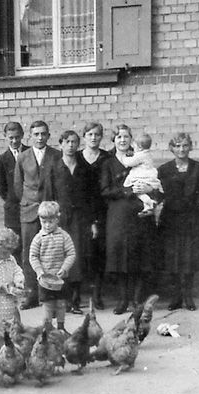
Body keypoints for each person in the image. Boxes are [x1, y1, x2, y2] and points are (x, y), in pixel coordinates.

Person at [157, 132, 199, 311]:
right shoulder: (163, 170)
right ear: (171, 148)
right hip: (170, 218)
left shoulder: (198, 168)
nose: (181, 149)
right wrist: (152, 200)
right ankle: (176, 296)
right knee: (172, 257)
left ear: (190, 147)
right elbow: (155, 190)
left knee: (189, 257)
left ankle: (188, 296)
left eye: (185, 145)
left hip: (191, 218)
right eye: (178, 146)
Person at [100, 124, 160, 315]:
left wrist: (149, 190)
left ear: (131, 140)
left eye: (126, 137)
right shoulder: (107, 163)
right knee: (119, 257)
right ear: (114, 140)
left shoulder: (142, 158)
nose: (122, 140)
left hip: (140, 215)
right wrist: (127, 190)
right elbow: (105, 190)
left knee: (139, 257)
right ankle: (123, 299)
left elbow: (155, 184)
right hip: (118, 215)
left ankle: (137, 299)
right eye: (119, 137)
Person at [13, 120, 61, 309]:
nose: (40, 137)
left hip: (50, 211)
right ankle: (31, 295)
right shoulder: (23, 157)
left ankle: (49, 296)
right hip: (30, 211)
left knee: (51, 253)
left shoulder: (56, 155)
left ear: (48, 135)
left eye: (43, 134)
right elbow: (18, 186)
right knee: (29, 253)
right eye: (36, 134)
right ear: (30, 136)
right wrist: (28, 202)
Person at [50, 130, 95, 314]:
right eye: (67, 141)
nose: (71, 145)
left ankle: (75, 301)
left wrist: (92, 222)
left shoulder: (84, 167)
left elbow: (91, 198)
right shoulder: (54, 167)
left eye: (74, 142)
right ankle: (63, 301)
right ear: (60, 144)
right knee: (59, 258)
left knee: (76, 258)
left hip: (80, 220)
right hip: (60, 220)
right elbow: (48, 196)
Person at [77, 122, 111, 309]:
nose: (93, 137)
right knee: (82, 253)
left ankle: (97, 295)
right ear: (84, 136)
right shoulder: (77, 157)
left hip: (102, 210)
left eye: (97, 134)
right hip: (81, 212)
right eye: (89, 134)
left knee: (99, 254)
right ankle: (78, 296)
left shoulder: (107, 157)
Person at [29, 201, 76, 330]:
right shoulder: (38, 238)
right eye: (44, 222)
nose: (47, 225)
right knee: (47, 304)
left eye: (51, 222)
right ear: (40, 220)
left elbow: (71, 253)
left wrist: (64, 268)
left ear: (57, 219)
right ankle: (47, 328)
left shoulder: (64, 236)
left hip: (61, 278)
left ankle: (61, 327)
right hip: (45, 279)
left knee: (61, 303)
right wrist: (39, 271)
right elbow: (33, 256)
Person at [0, 122, 29, 264]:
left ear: (22, 135)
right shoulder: (2, 159)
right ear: (5, 137)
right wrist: (13, 199)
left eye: (17, 137)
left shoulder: (30, 153)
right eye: (11, 138)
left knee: (30, 244)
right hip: (13, 209)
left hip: (30, 206)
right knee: (14, 246)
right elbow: (1, 187)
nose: (14, 141)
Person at [122, 133, 163, 216]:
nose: (133, 147)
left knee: (138, 191)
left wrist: (124, 157)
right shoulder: (147, 154)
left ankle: (149, 202)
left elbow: (130, 162)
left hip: (142, 177)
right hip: (149, 176)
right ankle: (147, 207)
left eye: (134, 146)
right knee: (141, 191)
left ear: (140, 147)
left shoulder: (141, 155)